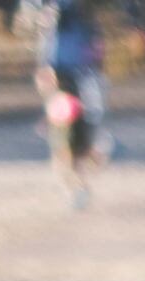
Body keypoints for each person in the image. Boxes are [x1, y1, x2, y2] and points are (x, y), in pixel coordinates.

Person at [39, 78, 96, 207]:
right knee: (70, 170)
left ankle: (78, 191)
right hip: (70, 143)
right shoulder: (73, 102)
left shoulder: (61, 101)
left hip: (65, 143)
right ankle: (78, 191)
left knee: (65, 170)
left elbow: (64, 126)